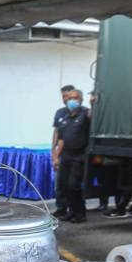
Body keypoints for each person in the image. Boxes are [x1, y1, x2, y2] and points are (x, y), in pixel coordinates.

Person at [53, 88, 91, 223]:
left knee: (73, 185)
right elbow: (61, 138)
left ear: (81, 100)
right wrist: (56, 156)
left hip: (79, 156)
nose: (72, 101)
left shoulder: (85, 113)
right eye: (69, 98)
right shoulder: (65, 115)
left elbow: (93, 116)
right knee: (64, 185)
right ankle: (72, 211)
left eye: (75, 98)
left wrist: (93, 103)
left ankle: (80, 214)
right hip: (66, 156)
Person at [51, 84, 75, 217]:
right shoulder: (60, 113)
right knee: (59, 182)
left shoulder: (81, 112)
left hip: (75, 154)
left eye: (67, 96)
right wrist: (53, 153)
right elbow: (56, 132)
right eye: (63, 96)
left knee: (72, 184)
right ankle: (61, 207)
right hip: (61, 153)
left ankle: (73, 209)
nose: (65, 99)